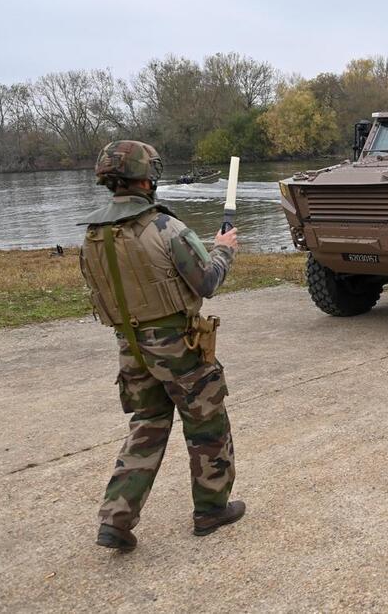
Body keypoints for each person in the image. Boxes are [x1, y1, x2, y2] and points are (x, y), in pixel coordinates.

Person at [78, 140, 245, 552]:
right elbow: (207, 281)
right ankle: (211, 510)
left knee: (147, 426)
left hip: (130, 346)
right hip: (178, 346)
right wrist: (224, 251)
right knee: (206, 424)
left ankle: (115, 518)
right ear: (147, 176)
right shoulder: (164, 227)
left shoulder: (93, 234)